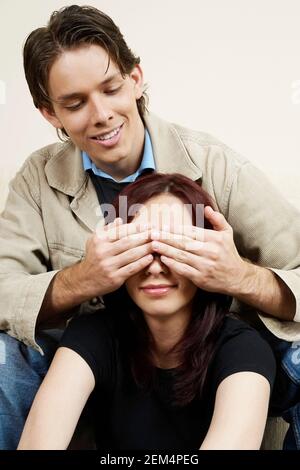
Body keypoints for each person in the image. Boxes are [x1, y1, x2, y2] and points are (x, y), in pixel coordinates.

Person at [0, 4, 299, 449]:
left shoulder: (219, 167)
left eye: (111, 88)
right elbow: (4, 290)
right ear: (50, 113)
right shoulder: (36, 180)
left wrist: (240, 276)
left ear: (136, 78)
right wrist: (82, 279)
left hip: (209, 355)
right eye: (75, 103)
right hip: (99, 358)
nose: (100, 114)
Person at [18, 173, 276, 450]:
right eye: (139, 246)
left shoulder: (243, 349)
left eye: (175, 247)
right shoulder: (93, 335)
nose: (155, 267)